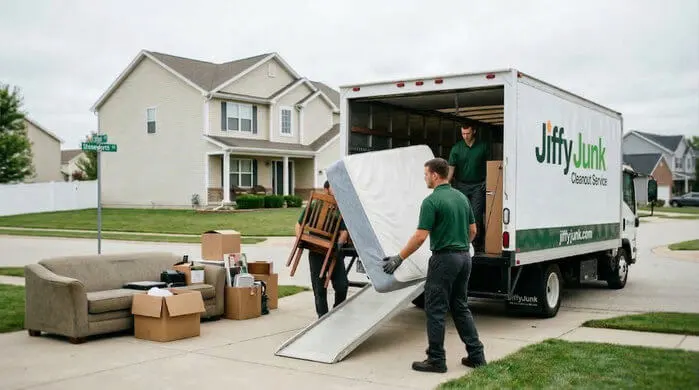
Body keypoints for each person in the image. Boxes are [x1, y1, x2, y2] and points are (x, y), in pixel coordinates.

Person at [382, 157, 486, 373]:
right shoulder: (461, 197)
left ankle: (436, 360)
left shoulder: (431, 201)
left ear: (435, 175)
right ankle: (476, 355)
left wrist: (398, 258)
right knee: (460, 306)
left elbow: (420, 237)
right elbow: (474, 231)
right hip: (464, 257)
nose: (425, 178)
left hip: (444, 259)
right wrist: (458, 245)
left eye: (426, 174)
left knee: (436, 308)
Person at [295, 180, 349, 318]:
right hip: (316, 251)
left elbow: (344, 232)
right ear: (326, 190)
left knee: (342, 286)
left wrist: (339, 245)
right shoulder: (314, 205)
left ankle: (336, 312)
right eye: (333, 187)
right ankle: (322, 317)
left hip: (334, 252)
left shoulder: (340, 208)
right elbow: (299, 225)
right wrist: (299, 238)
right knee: (319, 288)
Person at [448, 125, 489, 252]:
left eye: (468, 133)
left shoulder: (483, 146)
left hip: (478, 185)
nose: (465, 136)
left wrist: (488, 180)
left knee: (475, 215)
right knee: (463, 214)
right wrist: (446, 183)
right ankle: (463, 243)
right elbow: (451, 168)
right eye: (463, 134)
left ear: (474, 132)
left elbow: (491, 164)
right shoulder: (456, 148)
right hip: (461, 185)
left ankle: (477, 244)